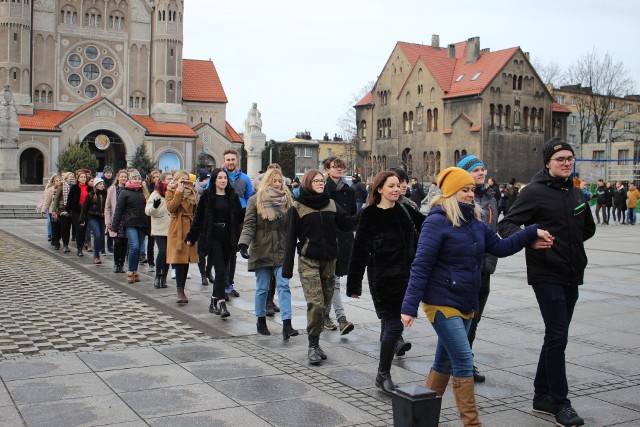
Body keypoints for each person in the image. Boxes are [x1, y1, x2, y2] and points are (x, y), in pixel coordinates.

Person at [402, 167, 552, 427]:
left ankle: (421, 420)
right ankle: (472, 423)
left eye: (472, 189)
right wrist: (409, 306)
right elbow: (421, 265)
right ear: (450, 192)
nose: (471, 194)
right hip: (441, 303)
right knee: (462, 358)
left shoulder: (475, 222)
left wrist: (530, 232)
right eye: (465, 190)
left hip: (466, 301)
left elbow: (502, 247)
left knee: (444, 361)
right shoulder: (436, 221)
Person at [498, 137, 595, 427]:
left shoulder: (576, 193)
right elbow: (506, 225)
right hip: (546, 274)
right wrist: (532, 237)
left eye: (569, 158)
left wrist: (570, 245)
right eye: (560, 159)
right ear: (547, 163)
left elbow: (586, 228)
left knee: (556, 335)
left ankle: (542, 395)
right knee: (557, 336)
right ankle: (560, 403)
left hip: (572, 272)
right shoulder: (534, 192)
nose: (566, 163)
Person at [347, 171, 425, 393]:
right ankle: (383, 375)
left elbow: (429, 225)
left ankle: (384, 372)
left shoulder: (404, 210)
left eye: (398, 185)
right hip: (383, 278)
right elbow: (359, 250)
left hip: (407, 278)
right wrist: (354, 284)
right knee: (394, 324)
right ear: (379, 189)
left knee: (391, 326)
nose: (396, 189)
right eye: (390, 186)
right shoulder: (369, 214)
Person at [283, 170, 358, 364]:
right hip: (309, 260)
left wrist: (365, 211)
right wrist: (287, 268)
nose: (320, 183)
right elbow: (290, 238)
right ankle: (313, 345)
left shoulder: (331, 204)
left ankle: (316, 342)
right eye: (316, 181)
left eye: (321, 181)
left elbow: (347, 224)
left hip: (329, 261)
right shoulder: (298, 207)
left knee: (324, 305)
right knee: (315, 304)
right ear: (308, 183)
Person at [238, 168, 298, 338]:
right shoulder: (254, 201)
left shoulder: (288, 200)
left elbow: (293, 226)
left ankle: (287, 324)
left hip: (281, 248)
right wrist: (243, 243)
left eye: (280, 181)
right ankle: (261, 320)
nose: (278, 184)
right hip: (261, 248)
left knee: (284, 286)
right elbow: (249, 224)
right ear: (267, 182)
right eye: (274, 181)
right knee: (262, 288)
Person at [456, 154, 497, 383]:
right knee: (463, 317)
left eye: (483, 169)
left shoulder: (490, 197)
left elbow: (494, 231)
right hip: (466, 267)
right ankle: (461, 362)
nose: (481, 173)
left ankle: (464, 360)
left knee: (475, 317)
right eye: (475, 170)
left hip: (485, 267)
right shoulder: (461, 199)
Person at [187, 168, 243, 315]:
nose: (223, 180)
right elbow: (198, 217)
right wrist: (192, 236)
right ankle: (221, 303)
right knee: (220, 271)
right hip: (213, 237)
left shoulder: (232, 195)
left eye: (225, 178)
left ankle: (213, 301)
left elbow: (239, 217)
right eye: (220, 178)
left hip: (228, 237)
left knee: (223, 271)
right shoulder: (207, 196)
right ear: (214, 180)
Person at [322, 156, 356, 335]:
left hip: (344, 240)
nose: (338, 170)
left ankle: (324, 316)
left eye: (340, 167)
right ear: (327, 169)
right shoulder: (323, 189)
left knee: (333, 280)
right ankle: (341, 318)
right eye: (334, 167)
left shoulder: (348, 191)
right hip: (328, 239)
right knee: (332, 281)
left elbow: (351, 216)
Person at [223, 149, 253, 299]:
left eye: (233, 159)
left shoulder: (245, 179)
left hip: (238, 219)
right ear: (224, 161)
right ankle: (223, 285)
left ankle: (230, 284)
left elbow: (249, 197)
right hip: (222, 218)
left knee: (232, 253)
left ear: (237, 161)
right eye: (228, 160)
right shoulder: (219, 176)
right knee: (224, 253)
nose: (230, 162)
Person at [167, 170, 200, 304]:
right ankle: (179, 291)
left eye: (187, 180)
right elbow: (171, 208)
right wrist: (179, 193)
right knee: (179, 259)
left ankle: (182, 289)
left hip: (190, 226)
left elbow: (197, 210)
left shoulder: (193, 192)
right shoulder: (171, 190)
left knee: (186, 260)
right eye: (182, 180)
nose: (186, 183)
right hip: (177, 226)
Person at [110, 169, 148, 284]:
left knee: (137, 250)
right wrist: (114, 226)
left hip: (142, 224)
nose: (137, 180)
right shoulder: (125, 192)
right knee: (134, 246)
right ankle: (130, 271)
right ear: (130, 180)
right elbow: (119, 210)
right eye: (134, 178)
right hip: (130, 224)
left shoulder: (144, 192)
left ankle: (135, 271)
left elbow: (149, 209)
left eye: (138, 178)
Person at [145, 172, 172, 289]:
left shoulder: (173, 192)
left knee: (168, 254)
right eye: (169, 179)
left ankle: (164, 277)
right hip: (159, 227)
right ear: (163, 181)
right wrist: (154, 206)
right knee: (163, 251)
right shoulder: (156, 193)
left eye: (172, 179)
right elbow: (147, 211)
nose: (171, 181)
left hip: (171, 227)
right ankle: (157, 275)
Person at [105, 169, 129, 273]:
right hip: (116, 220)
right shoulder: (112, 189)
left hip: (127, 220)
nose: (123, 178)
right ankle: (116, 263)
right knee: (117, 242)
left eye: (125, 177)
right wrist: (108, 221)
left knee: (125, 242)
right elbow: (107, 207)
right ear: (118, 177)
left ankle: (121, 264)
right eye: (122, 176)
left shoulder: (129, 190)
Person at [81, 177, 107, 264]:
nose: (102, 185)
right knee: (97, 235)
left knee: (101, 236)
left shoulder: (105, 194)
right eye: (100, 184)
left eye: (102, 184)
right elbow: (84, 208)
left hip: (102, 218)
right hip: (93, 217)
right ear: (95, 185)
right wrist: (82, 219)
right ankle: (96, 256)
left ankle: (98, 252)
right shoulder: (91, 195)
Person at [66, 169, 90, 257]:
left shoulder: (89, 188)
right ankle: (79, 249)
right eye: (82, 177)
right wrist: (68, 210)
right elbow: (70, 200)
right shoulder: (74, 188)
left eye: (84, 177)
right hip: (77, 211)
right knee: (79, 228)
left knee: (84, 230)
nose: (83, 179)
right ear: (78, 179)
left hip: (86, 212)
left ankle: (82, 244)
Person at [40, 174, 60, 247]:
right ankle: (54, 239)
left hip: (60, 210)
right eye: (56, 181)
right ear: (54, 182)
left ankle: (57, 238)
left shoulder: (63, 189)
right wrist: (43, 210)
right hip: (52, 211)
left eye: (59, 180)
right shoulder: (51, 190)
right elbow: (47, 201)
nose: (58, 182)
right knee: (54, 226)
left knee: (59, 227)